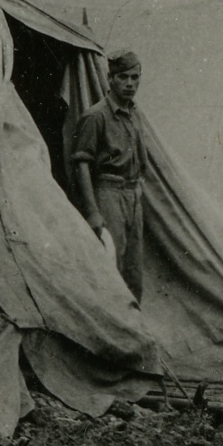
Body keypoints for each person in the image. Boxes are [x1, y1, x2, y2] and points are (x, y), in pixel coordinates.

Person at [72, 49, 151, 303]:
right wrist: (93, 211)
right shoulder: (96, 116)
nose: (130, 84)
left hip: (132, 195)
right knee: (110, 267)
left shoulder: (135, 115)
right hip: (108, 193)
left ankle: (133, 323)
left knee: (133, 270)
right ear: (110, 79)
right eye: (123, 77)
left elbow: (141, 160)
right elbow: (81, 164)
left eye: (135, 78)